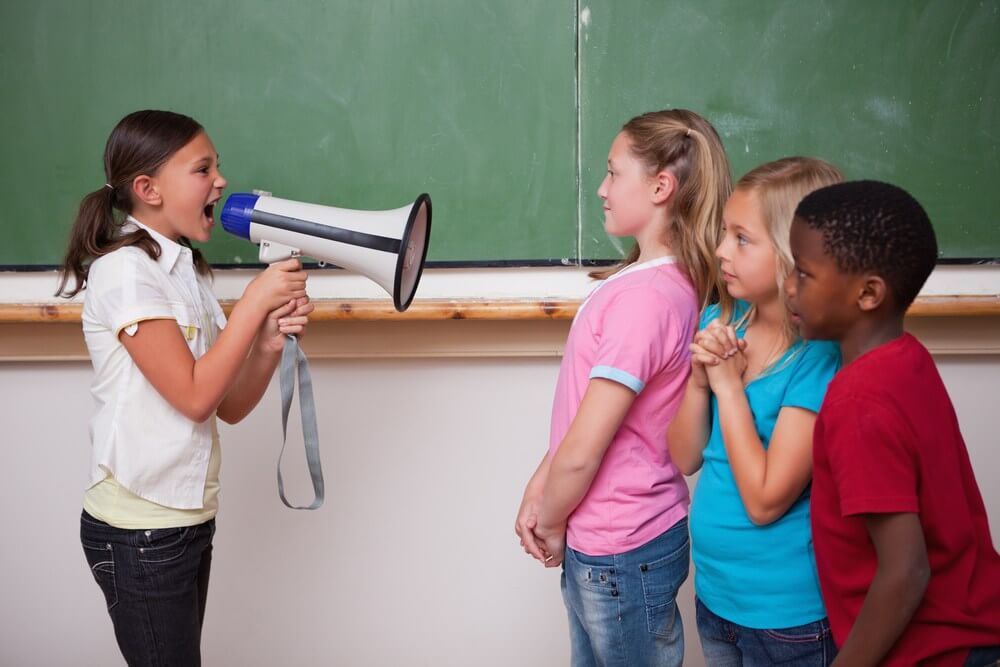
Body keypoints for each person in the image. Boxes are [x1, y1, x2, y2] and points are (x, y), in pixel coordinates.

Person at [57, 109, 313, 666]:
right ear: (148, 189)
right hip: (141, 530)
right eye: (203, 169)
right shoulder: (126, 272)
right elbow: (193, 396)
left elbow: (229, 405)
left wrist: (267, 339)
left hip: (186, 520)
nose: (220, 181)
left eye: (218, 167)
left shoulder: (187, 270)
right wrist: (253, 303)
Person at [514, 109, 732, 666]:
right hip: (616, 541)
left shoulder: (644, 301)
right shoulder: (656, 283)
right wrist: (541, 489)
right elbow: (590, 417)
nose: (602, 189)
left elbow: (585, 452)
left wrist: (554, 516)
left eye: (614, 173)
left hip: (619, 546)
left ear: (662, 187)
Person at [787, 180, 1000, 667]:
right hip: (970, 633)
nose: (789, 287)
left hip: (932, 651)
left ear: (867, 294)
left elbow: (906, 569)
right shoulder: (907, 359)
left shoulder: (858, 402)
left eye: (804, 274)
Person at [668, 157, 844, 665]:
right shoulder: (722, 319)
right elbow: (684, 457)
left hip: (788, 616)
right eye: (725, 232)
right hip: (719, 600)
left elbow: (766, 500)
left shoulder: (817, 357)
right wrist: (700, 382)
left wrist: (727, 387)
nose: (721, 250)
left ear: (794, 254)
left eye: (742, 239)